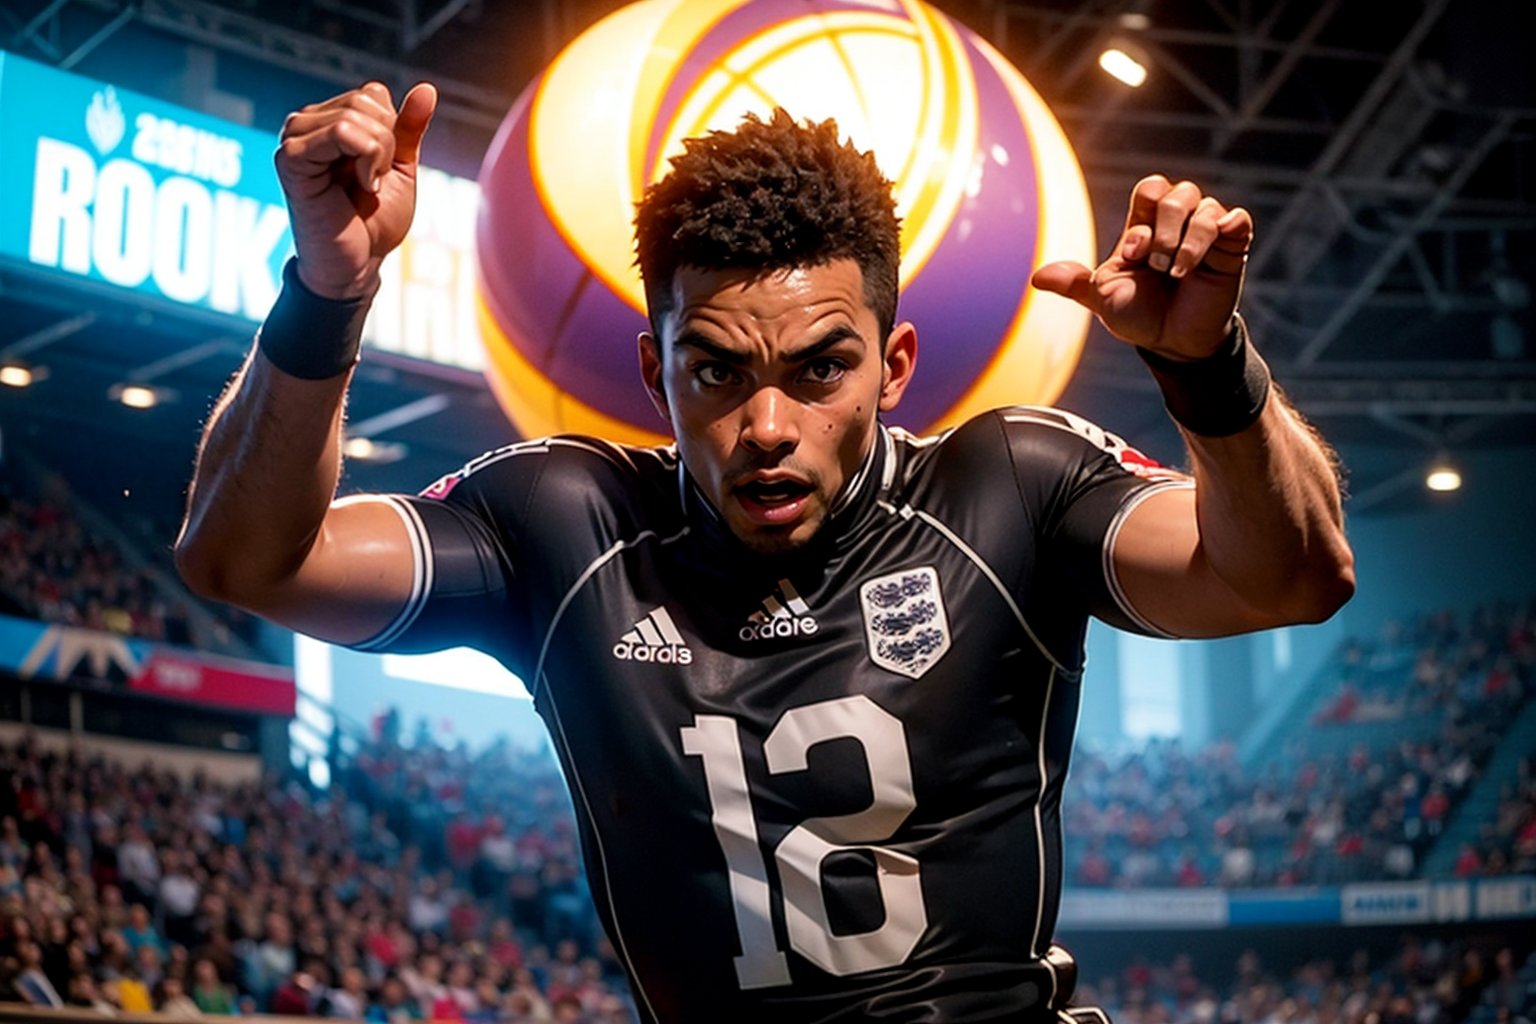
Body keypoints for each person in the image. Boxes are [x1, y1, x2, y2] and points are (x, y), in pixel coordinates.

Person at [176, 80, 1354, 1023]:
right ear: (655, 374)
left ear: (894, 368)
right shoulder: (560, 520)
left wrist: (1209, 369)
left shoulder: (1008, 484)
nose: (770, 427)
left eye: (821, 369)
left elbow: (1293, 574)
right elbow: (245, 560)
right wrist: (329, 291)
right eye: (718, 372)